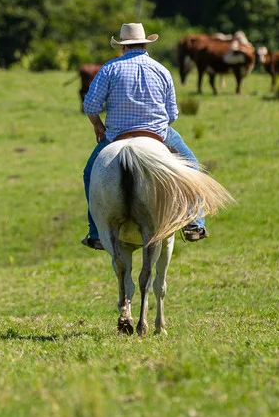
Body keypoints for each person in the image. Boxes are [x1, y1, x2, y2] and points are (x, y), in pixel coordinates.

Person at [81, 22, 206, 250]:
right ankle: (194, 223)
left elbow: (90, 105)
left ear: (123, 47)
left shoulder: (109, 69)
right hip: (157, 133)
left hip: (117, 136)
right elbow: (172, 114)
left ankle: (96, 231)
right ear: (145, 44)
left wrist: (98, 126)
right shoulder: (161, 70)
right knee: (193, 167)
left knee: (90, 173)